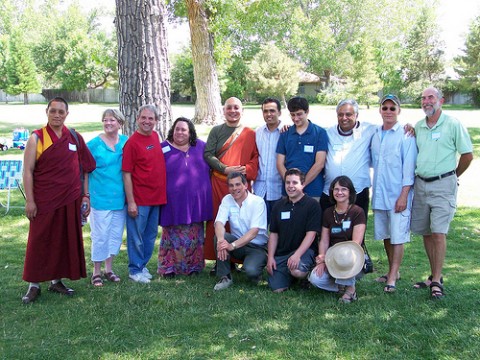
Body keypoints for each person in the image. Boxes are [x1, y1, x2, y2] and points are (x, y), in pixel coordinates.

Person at [21, 97, 96, 304]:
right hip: (44, 200)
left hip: (70, 198)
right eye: (53, 111)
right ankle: (33, 285)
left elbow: (86, 168)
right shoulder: (37, 138)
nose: (57, 115)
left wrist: (86, 195)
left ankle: (56, 281)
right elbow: (27, 171)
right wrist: (30, 201)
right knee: (39, 240)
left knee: (64, 240)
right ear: (47, 112)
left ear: (66, 114)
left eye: (61, 112)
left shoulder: (74, 137)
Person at [411, 87, 473, 299]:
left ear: (441, 101)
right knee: (427, 232)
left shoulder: (453, 124)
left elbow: (467, 155)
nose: (426, 101)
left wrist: (453, 175)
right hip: (421, 185)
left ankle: (436, 281)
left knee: (439, 232)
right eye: (423, 97)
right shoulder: (418, 127)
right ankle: (433, 275)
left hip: (443, 185)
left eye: (431, 97)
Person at [204, 97, 259, 270]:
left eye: (236, 108)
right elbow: (208, 154)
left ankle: (237, 258)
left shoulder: (250, 133)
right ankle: (218, 259)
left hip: (240, 186)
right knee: (218, 221)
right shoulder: (216, 131)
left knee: (240, 221)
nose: (233, 111)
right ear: (223, 110)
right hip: (219, 183)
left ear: (242, 111)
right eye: (229, 108)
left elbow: (255, 158)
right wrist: (224, 168)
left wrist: (246, 169)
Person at [370, 95, 417, 292]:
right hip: (380, 193)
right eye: (385, 107)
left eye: (392, 108)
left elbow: (409, 168)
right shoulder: (374, 133)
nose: (388, 111)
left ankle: (392, 278)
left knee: (398, 235)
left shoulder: (406, 135)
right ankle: (393, 270)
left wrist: (404, 195)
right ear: (380, 110)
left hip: (398, 194)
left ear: (399, 110)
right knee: (386, 235)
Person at [158, 117, 213, 277]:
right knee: (171, 234)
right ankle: (169, 268)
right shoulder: (163, 148)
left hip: (196, 201)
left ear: (190, 133)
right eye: (177, 129)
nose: (180, 132)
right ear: (172, 131)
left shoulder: (201, 147)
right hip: (172, 202)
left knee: (194, 233)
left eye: (184, 130)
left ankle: (194, 267)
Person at [122, 104, 167, 283]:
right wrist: (131, 202)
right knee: (136, 236)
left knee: (149, 236)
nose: (147, 121)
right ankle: (134, 269)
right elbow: (126, 174)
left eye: (151, 118)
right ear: (137, 119)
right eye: (144, 118)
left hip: (156, 198)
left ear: (156, 121)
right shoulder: (132, 143)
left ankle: (142, 265)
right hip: (139, 199)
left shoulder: (156, 136)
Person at [86, 109, 128, 287]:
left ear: (120, 123)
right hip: (99, 198)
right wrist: (85, 195)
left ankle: (109, 269)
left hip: (120, 198)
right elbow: (85, 171)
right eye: (105, 120)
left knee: (115, 235)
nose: (108, 123)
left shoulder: (126, 142)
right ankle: (96, 271)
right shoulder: (93, 145)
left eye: (112, 120)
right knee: (100, 236)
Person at [309, 176, 366, 303]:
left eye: (343, 189)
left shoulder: (358, 212)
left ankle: (350, 290)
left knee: (347, 260)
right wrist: (323, 259)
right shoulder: (328, 213)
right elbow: (324, 240)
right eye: (336, 189)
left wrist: (342, 256)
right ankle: (341, 286)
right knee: (315, 279)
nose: (339, 192)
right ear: (332, 191)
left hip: (351, 256)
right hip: (332, 256)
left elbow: (356, 243)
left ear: (350, 192)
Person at [267, 168, 321, 293]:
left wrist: (297, 255)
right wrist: (270, 257)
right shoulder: (278, 206)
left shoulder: (312, 205)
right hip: (282, 253)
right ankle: (289, 276)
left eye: (295, 183)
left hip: (303, 252)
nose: (290, 186)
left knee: (297, 271)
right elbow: (273, 234)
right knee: (277, 289)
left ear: (303, 184)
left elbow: (311, 234)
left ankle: (304, 275)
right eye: (287, 182)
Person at [213, 172, 268, 290]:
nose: (234, 189)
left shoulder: (257, 202)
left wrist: (232, 245)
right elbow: (219, 223)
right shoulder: (227, 199)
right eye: (231, 185)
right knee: (219, 237)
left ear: (245, 185)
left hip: (257, 247)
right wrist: (221, 241)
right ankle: (225, 277)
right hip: (238, 245)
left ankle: (255, 271)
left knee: (251, 271)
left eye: (238, 184)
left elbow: (254, 232)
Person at [321, 99, 376, 217]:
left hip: (358, 191)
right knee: (329, 229)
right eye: (340, 115)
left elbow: (389, 127)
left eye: (348, 114)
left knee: (357, 231)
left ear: (356, 115)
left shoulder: (370, 130)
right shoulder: (328, 133)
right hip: (331, 193)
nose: (344, 118)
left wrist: (408, 128)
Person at [276, 97, 327, 201]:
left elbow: (319, 163)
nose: (296, 118)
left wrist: (301, 185)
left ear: (307, 112)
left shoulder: (319, 133)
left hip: (313, 190)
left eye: (299, 114)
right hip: (289, 192)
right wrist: (291, 184)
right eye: (292, 115)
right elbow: (279, 163)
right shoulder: (285, 134)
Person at [253, 98, 283, 224]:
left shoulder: (286, 132)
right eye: (265, 111)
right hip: (260, 189)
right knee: (260, 227)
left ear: (279, 112)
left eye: (272, 111)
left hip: (279, 189)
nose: (269, 114)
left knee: (280, 228)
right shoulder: (257, 133)